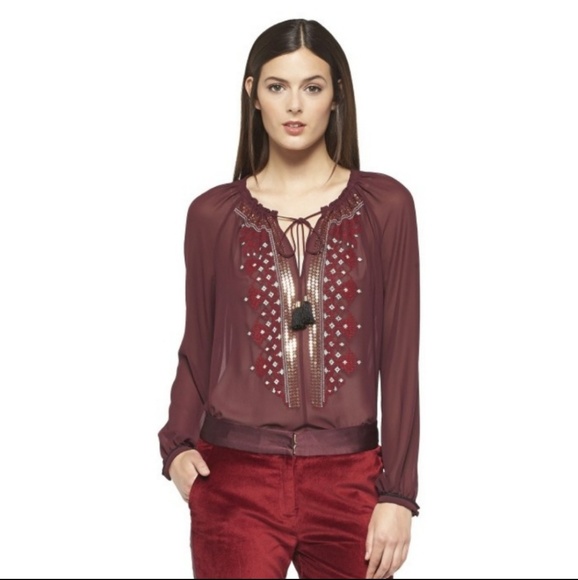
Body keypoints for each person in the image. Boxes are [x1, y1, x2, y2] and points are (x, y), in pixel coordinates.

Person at [158, 18, 420, 580]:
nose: (294, 105)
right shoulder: (212, 215)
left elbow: (401, 359)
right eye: (278, 86)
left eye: (312, 87)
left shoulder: (386, 207)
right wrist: (176, 446)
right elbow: (198, 343)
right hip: (234, 480)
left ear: (336, 96)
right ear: (253, 93)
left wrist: (398, 495)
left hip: (350, 481)